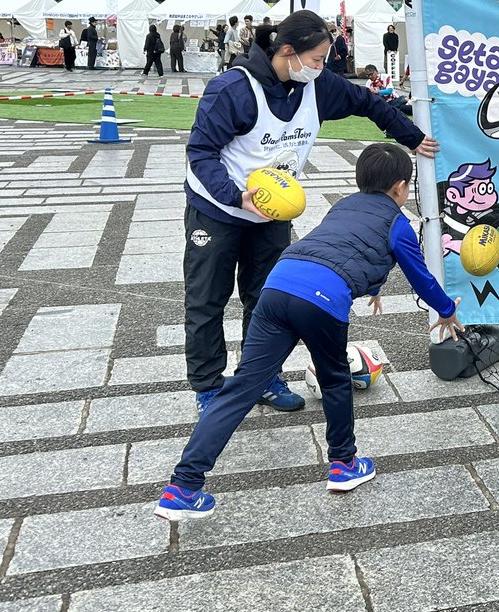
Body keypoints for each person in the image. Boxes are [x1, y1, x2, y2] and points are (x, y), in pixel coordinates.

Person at [156, 143, 464, 520]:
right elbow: (420, 276)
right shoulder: (398, 223)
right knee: (335, 381)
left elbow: (341, 247)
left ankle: (182, 487)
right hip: (321, 299)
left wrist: (374, 287)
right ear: (401, 187)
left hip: (278, 286)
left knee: (241, 389)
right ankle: (343, 464)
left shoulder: (343, 206)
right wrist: (447, 310)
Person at [182, 9, 439, 417]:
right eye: (317, 60)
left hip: (271, 214)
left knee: (264, 299)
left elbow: (370, 103)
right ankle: (209, 388)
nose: (322, 68)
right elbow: (200, 152)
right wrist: (234, 196)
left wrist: (413, 139)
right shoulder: (233, 89)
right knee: (206, 300)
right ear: (288, 52)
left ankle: (262, 377)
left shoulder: (317, 86)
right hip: (218, 208)